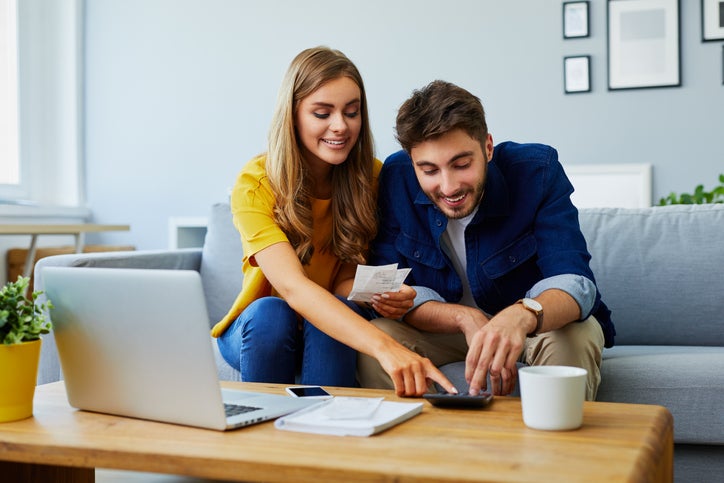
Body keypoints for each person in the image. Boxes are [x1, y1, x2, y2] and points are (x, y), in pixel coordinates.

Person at [212, 47, 456, 396]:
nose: (340, 126)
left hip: (327, 328)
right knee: (272, 312)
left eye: (352, 112)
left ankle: (331, 437)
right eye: (322, 113)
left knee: (335, 310)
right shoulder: (256, 182)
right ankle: (265, 441)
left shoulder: (372, 178)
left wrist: (379, 295)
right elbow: (294, 288)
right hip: (262, 328)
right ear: (293, 116)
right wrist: (386, 347)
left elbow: (343, 280)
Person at [358, 80, 615, 401]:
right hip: (446, 331)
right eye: (429, 170)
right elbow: (392, 292)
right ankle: (419, 448)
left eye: (461, 164)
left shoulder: (537, 171)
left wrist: (522, 315)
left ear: (488, 147)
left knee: (574, 336)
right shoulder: (396, 177)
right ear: (412, 163)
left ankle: (556, 450)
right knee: (378, 340)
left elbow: (575, 281)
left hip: (533, 327)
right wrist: (462, 317)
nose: (448, 186)